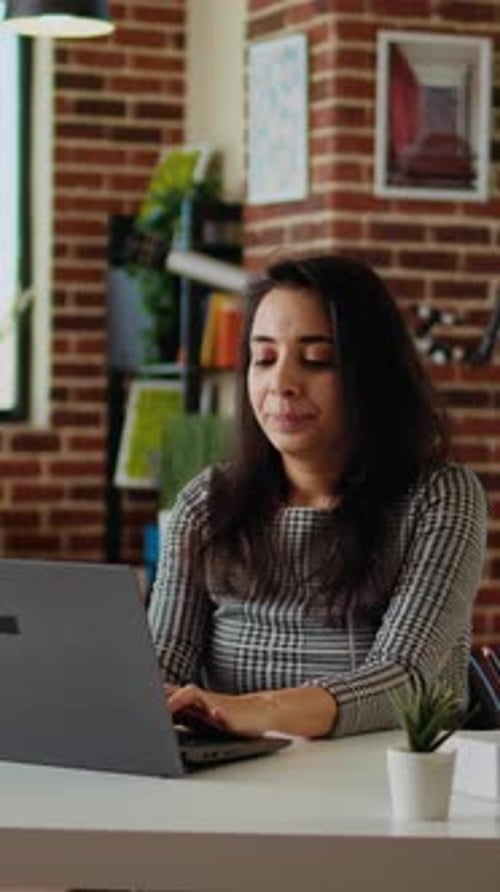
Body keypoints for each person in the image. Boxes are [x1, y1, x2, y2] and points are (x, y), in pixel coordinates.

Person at [148, 254, 487, 740]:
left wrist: (251, 710)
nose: (280, 384)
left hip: (387, 783)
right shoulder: (207, 502)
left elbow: (404, 678)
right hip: (234, 780)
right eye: (264, 358)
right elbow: (164, 668)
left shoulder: (439, 498)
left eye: (317, 360)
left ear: (372, 374)